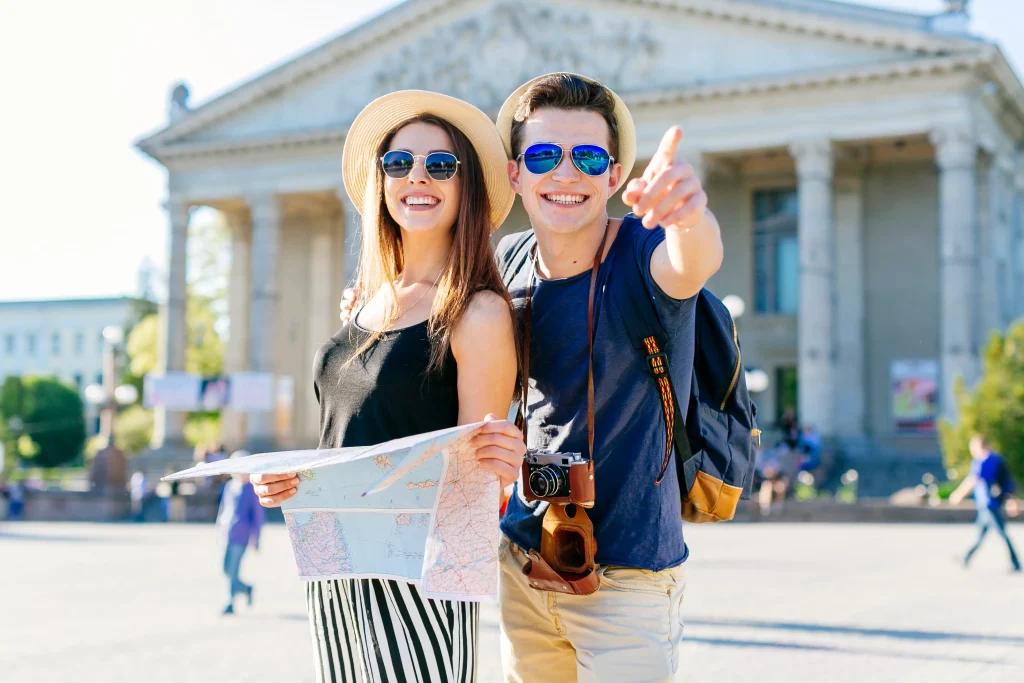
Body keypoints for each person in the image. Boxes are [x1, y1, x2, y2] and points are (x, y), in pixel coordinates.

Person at [249, 90, 526, 682]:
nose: (417, 177)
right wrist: (290, 482)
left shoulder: (477, 312)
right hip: (333, 571)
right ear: (382, 181)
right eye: (398, 163)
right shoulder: (367, 303)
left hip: (416, 582)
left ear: (467, 186)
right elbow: (346, 436)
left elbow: (477, 478)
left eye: (441, 165)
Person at [491, 73, 723, 683]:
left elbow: (692, 261)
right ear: (516, 173)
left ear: (614, 175)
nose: (565, 173)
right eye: (543, 154)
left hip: (628, 583)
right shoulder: (507, 262)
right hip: (523, 562)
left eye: (588, 156)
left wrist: (689, 215)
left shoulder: (644, 252)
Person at [950, 434, 1021, 572]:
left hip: (990, 504)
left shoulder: (987, 460)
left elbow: (974, 479)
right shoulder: (989, 459)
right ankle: (966, 557)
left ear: (979, 446)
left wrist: (958, 494)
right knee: (981, 534)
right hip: (985, 504)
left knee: (1001, 533)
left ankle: (1016, 562)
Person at [216, 450, 265, 614]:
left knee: (234, 568)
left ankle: (229, 603)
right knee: (225, 568)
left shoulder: (251, 489)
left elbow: (258, 516)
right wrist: (219, 528)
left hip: (242, 534)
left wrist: (256, 538)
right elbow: (223, 509)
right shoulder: (230, 486)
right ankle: (246, 589)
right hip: (227, 532)